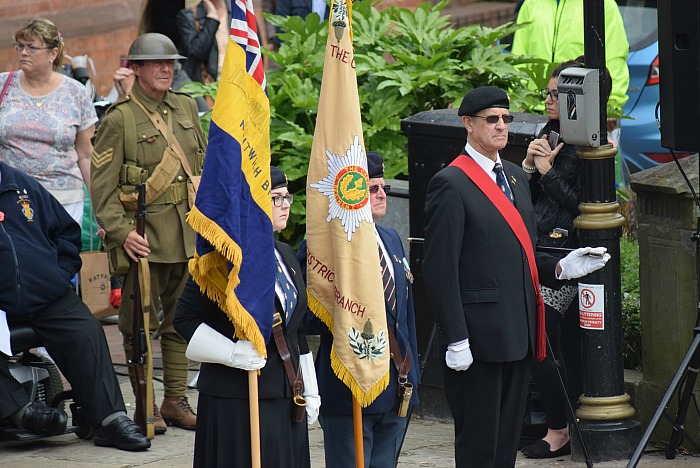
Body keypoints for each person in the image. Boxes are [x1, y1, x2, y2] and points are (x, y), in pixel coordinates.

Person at [421, 86, 611, 467]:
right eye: (492, 119)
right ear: (468, 124)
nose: (501, 126)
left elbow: (520, 252)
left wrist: (561, 266)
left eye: (506, 119)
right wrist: (456, 338)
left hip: (519, 334)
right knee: (480, 447)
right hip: (478, 338)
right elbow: (439, 268)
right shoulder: (451, 182)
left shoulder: (511, 175)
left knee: (504, 449)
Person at [90, 32, 207, 435]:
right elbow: (102, 189)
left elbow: (201, 167)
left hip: (187, 233)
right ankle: (146, 404)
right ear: (135, 69)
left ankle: (175, 400)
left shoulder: (187, 107)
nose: (166, 69)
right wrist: (123, 233)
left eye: (170, 63)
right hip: (144, 238)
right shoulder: (119, 118)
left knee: (181, 321)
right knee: (139, 326)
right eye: (156, 64)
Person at [0, 161, 150, 451]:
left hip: (45, 292)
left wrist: (56, 276)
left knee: (86, 329)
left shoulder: (23, 186)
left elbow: (66, 233)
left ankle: (110, 420)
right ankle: (21, 411)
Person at [174, 166, 317, 467]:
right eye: (275, 198)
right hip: (236, 400)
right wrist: (232, 353)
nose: (285, 204)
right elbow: (184, 319)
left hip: (287, 395)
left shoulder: (285, 253)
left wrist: (310, 387)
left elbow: (297, 329)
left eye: (286, 197)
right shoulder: (222, 258)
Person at [299, 151, 420, 467]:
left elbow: (404, 318)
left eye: (384, 188)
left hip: (396, 383)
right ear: (349, 195)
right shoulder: (325, 248)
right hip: (348, 386)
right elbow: (309, 317)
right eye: (371, 189)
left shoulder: (390, 238)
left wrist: (413, 378)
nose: (382, 195)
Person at [518, 59, 613, 459]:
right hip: (538, 250)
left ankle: (561, 429)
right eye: (549, 93)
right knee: (535, 338)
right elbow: (531, 202)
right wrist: (528, 169)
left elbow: (586, 209)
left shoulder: (594, 143)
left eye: (557, 94)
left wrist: (547, 171)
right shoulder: (549, 132)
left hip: (572, 259)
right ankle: (552, 421)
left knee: (540, 333)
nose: (549, 100)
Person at [0, 18, 97, 226]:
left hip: (64, 200)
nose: (23, 53)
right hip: (12, 196)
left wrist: (100, 208)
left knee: (61, 256)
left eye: (32, 47)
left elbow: (86, 155)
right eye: (20, 46)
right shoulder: (2, 85)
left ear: (53, 54)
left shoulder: (76, 92)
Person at [510, 0, 629, 132]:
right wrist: (518, 100)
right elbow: (519, 58)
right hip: (533, 111)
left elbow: (614, 58)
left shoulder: (602, 4)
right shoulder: (531, 3)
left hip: (581, 112)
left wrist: (607, 106)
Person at [176, 0, 232, 86]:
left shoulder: (239, 14)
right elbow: (197, 51)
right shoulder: (189, 16)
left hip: (236, 85)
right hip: (208, 87)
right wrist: (212, 19)